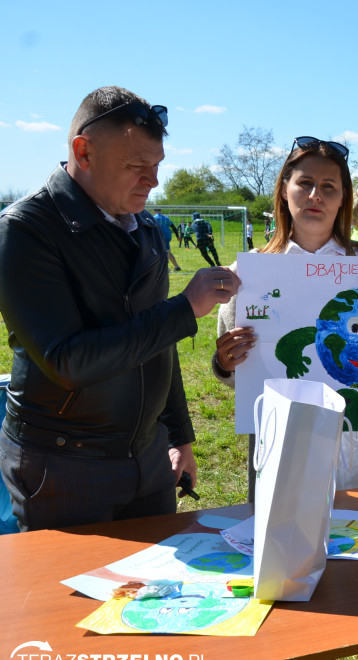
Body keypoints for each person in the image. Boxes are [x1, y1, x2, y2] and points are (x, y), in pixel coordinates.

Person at [210, 136, 358, 660]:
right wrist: (226, 362)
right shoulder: (252, 271)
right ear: (284, 191)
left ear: (344, 199)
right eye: (305, 183)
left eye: (329, 186)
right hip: (290, 446)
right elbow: (236, 375)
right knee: (289, 562)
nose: (316, 195)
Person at [0, 86, 237, 531]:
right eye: (135, 166)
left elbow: (158, 345)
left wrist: (180, 436)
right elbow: (67, 361)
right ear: (83, 152)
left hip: (148, 457)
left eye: (157, 166)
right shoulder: (25, 230)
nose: (153, 180)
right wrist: (184, 309)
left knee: (158, 596)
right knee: (70, 599)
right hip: (64, 465)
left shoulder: (144, 228)